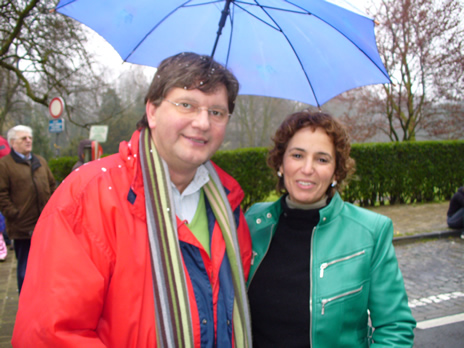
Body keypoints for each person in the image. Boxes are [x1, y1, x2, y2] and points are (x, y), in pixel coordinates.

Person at [12, 52, 252, 347]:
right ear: (152, 111)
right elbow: (51, 334)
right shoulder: (88, 196)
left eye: (217, 112)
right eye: (187, 105)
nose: (202, 122)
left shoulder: (229, 205)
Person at [246, 111, 416, 347]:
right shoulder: (252, 222)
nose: (307, 168)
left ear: (336, 172)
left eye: (322, 159)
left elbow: (395, 327)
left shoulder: (370, 231)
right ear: (280, 164)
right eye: (297, 155)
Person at [0, 126, 56, 292]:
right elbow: (1, 194)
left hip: (45, 224)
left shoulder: (40, 161)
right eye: (23, 138)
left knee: (46, 267)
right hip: (22, 226)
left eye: (30, 137)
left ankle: (43, 301)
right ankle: (25, 302)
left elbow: (52, 186)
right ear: (12, 143)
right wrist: (14, 214)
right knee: (25, 269)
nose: (28, 140)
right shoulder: (5, 165)